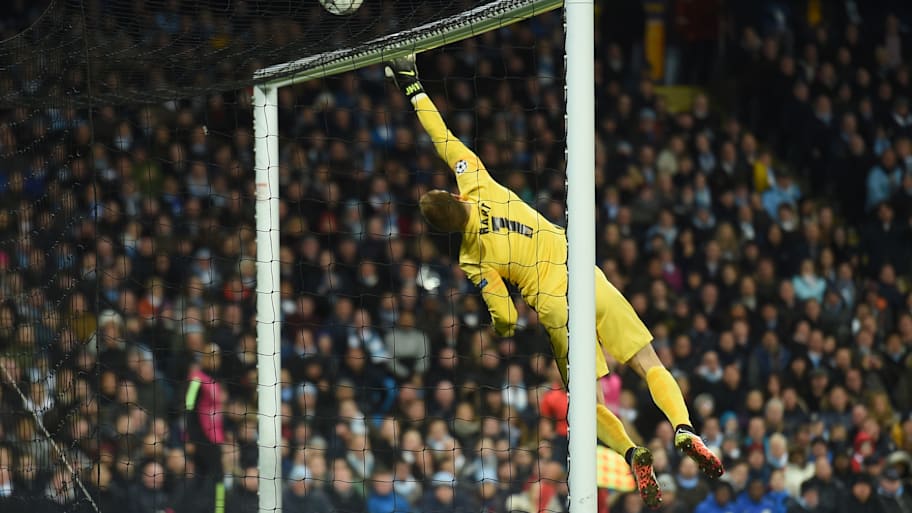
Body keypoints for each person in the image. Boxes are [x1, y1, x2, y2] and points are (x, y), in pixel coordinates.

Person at [386, 53, 724, 509]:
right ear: (453, 193)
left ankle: (630, 451)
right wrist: (412, 86)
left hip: (555, 307)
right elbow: (440, 135)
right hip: (586, 275)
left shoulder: (472, 258)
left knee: (585, 403)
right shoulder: (479, 181)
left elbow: (505, 317)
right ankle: (684, 427)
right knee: (648, 362)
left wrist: (501, 325)